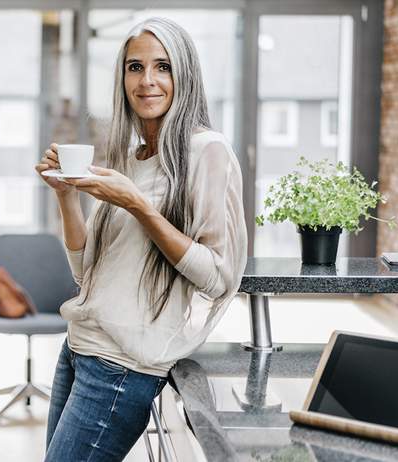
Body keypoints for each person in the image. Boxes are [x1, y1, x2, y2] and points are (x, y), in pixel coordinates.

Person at [34, 17, 248, 461]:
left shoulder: (207, 151)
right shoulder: (130, 158)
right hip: (78, 348)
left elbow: (217, 276)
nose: (147, 80)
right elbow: (85, 270)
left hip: (123, 366)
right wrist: (66, 197)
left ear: (184, 74)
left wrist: (138, 205)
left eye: (162, 66)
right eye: (135, 67)